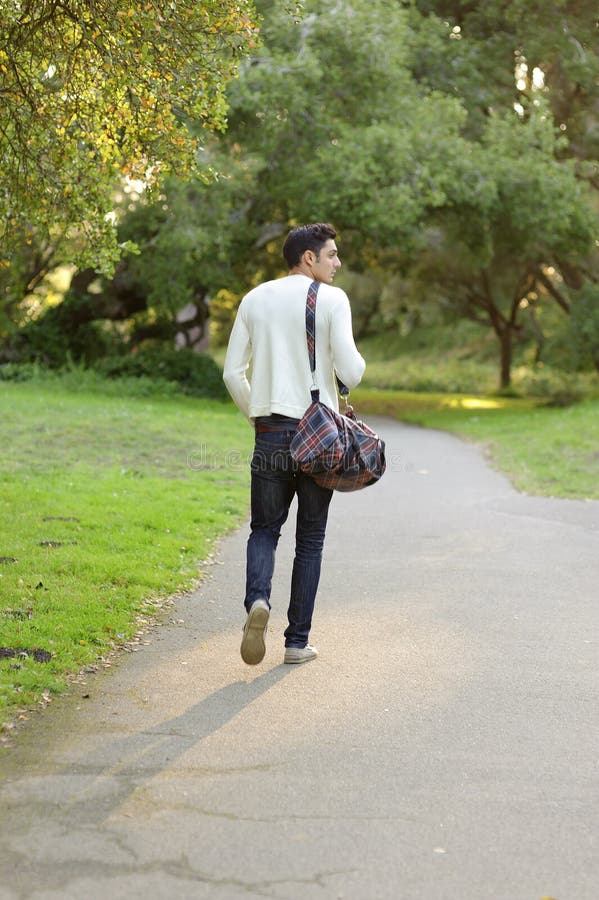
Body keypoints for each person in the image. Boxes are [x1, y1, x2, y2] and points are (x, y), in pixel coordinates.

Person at [223, 223, 365, 666]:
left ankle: (257, 601)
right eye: (332, 255)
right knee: (311, 540)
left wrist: (257, 416)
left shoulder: (253, 299)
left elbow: (232, 373)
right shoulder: (331, 299)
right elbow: (353, 372)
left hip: (269, 429)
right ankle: (296, 642)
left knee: (264, 529)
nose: (338, 263)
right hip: (317, 434)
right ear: (309, 258)